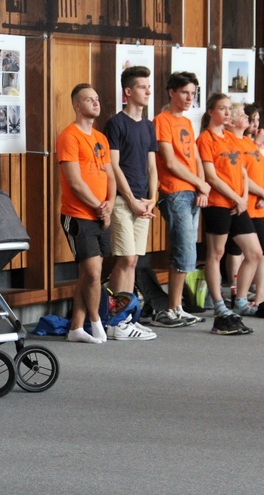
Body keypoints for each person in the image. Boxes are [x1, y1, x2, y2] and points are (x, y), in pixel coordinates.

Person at [56, 83, 118, 344]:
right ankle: (96, 323)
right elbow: (75, 182)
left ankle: (75, 328)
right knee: (92, 272)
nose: (95, 102)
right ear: (77, 105)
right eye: (89, 99)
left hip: (102, 213)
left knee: (94, 273)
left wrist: (110, 204)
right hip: (79, 214)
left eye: (97, 98)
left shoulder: (101, 138)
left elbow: (111, 176)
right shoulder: (69, 136)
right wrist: (99, 206)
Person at [197, 93, 262, 334]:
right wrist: (235, 198)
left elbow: (243, 172)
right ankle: (219, 305)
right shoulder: (205, 139)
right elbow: (211, 176)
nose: (226, 113)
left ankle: (242, 301)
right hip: (218, 203)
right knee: (216, 254)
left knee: (254, 252)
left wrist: (243, 198)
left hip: (237, 203)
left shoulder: (231, 138)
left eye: (228, 109)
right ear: (211, 112)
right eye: (222, 109)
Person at [103, 66, 158, 340]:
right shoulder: (116, 123)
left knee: (134, 260)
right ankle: (114, 319)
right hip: (125, 202)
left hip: (143, 202)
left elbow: (152, 167)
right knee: (124, 259)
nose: (148, 91)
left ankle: (125, 316)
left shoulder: (148, 126)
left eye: (149, 86)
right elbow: (113, 165)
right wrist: (132, 200)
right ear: (127, 92)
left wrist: (152, 199)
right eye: (142, 87)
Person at [151, 72, 209, 328]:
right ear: (172, 92)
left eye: (193, 94)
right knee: (184, 249)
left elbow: (195, 156)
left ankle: (177, 306)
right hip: (174, 190)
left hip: (193, 189)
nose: (189, 98)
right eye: (185, 92)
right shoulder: (161, 121)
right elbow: (170, 161)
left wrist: (202, 186)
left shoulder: (186, 122)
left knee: (189, 250)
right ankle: (170, 309)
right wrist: (199, 183)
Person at [225, 103, 264, 305]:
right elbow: (243, 175)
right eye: (244, 115)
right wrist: (262, 191)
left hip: (259, 203)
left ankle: (257, 293)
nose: (248, 119)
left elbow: (262, 169)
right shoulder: (232, 143)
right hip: (245, 202)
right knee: (244, 250)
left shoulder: (249, 142)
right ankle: (239, 292)